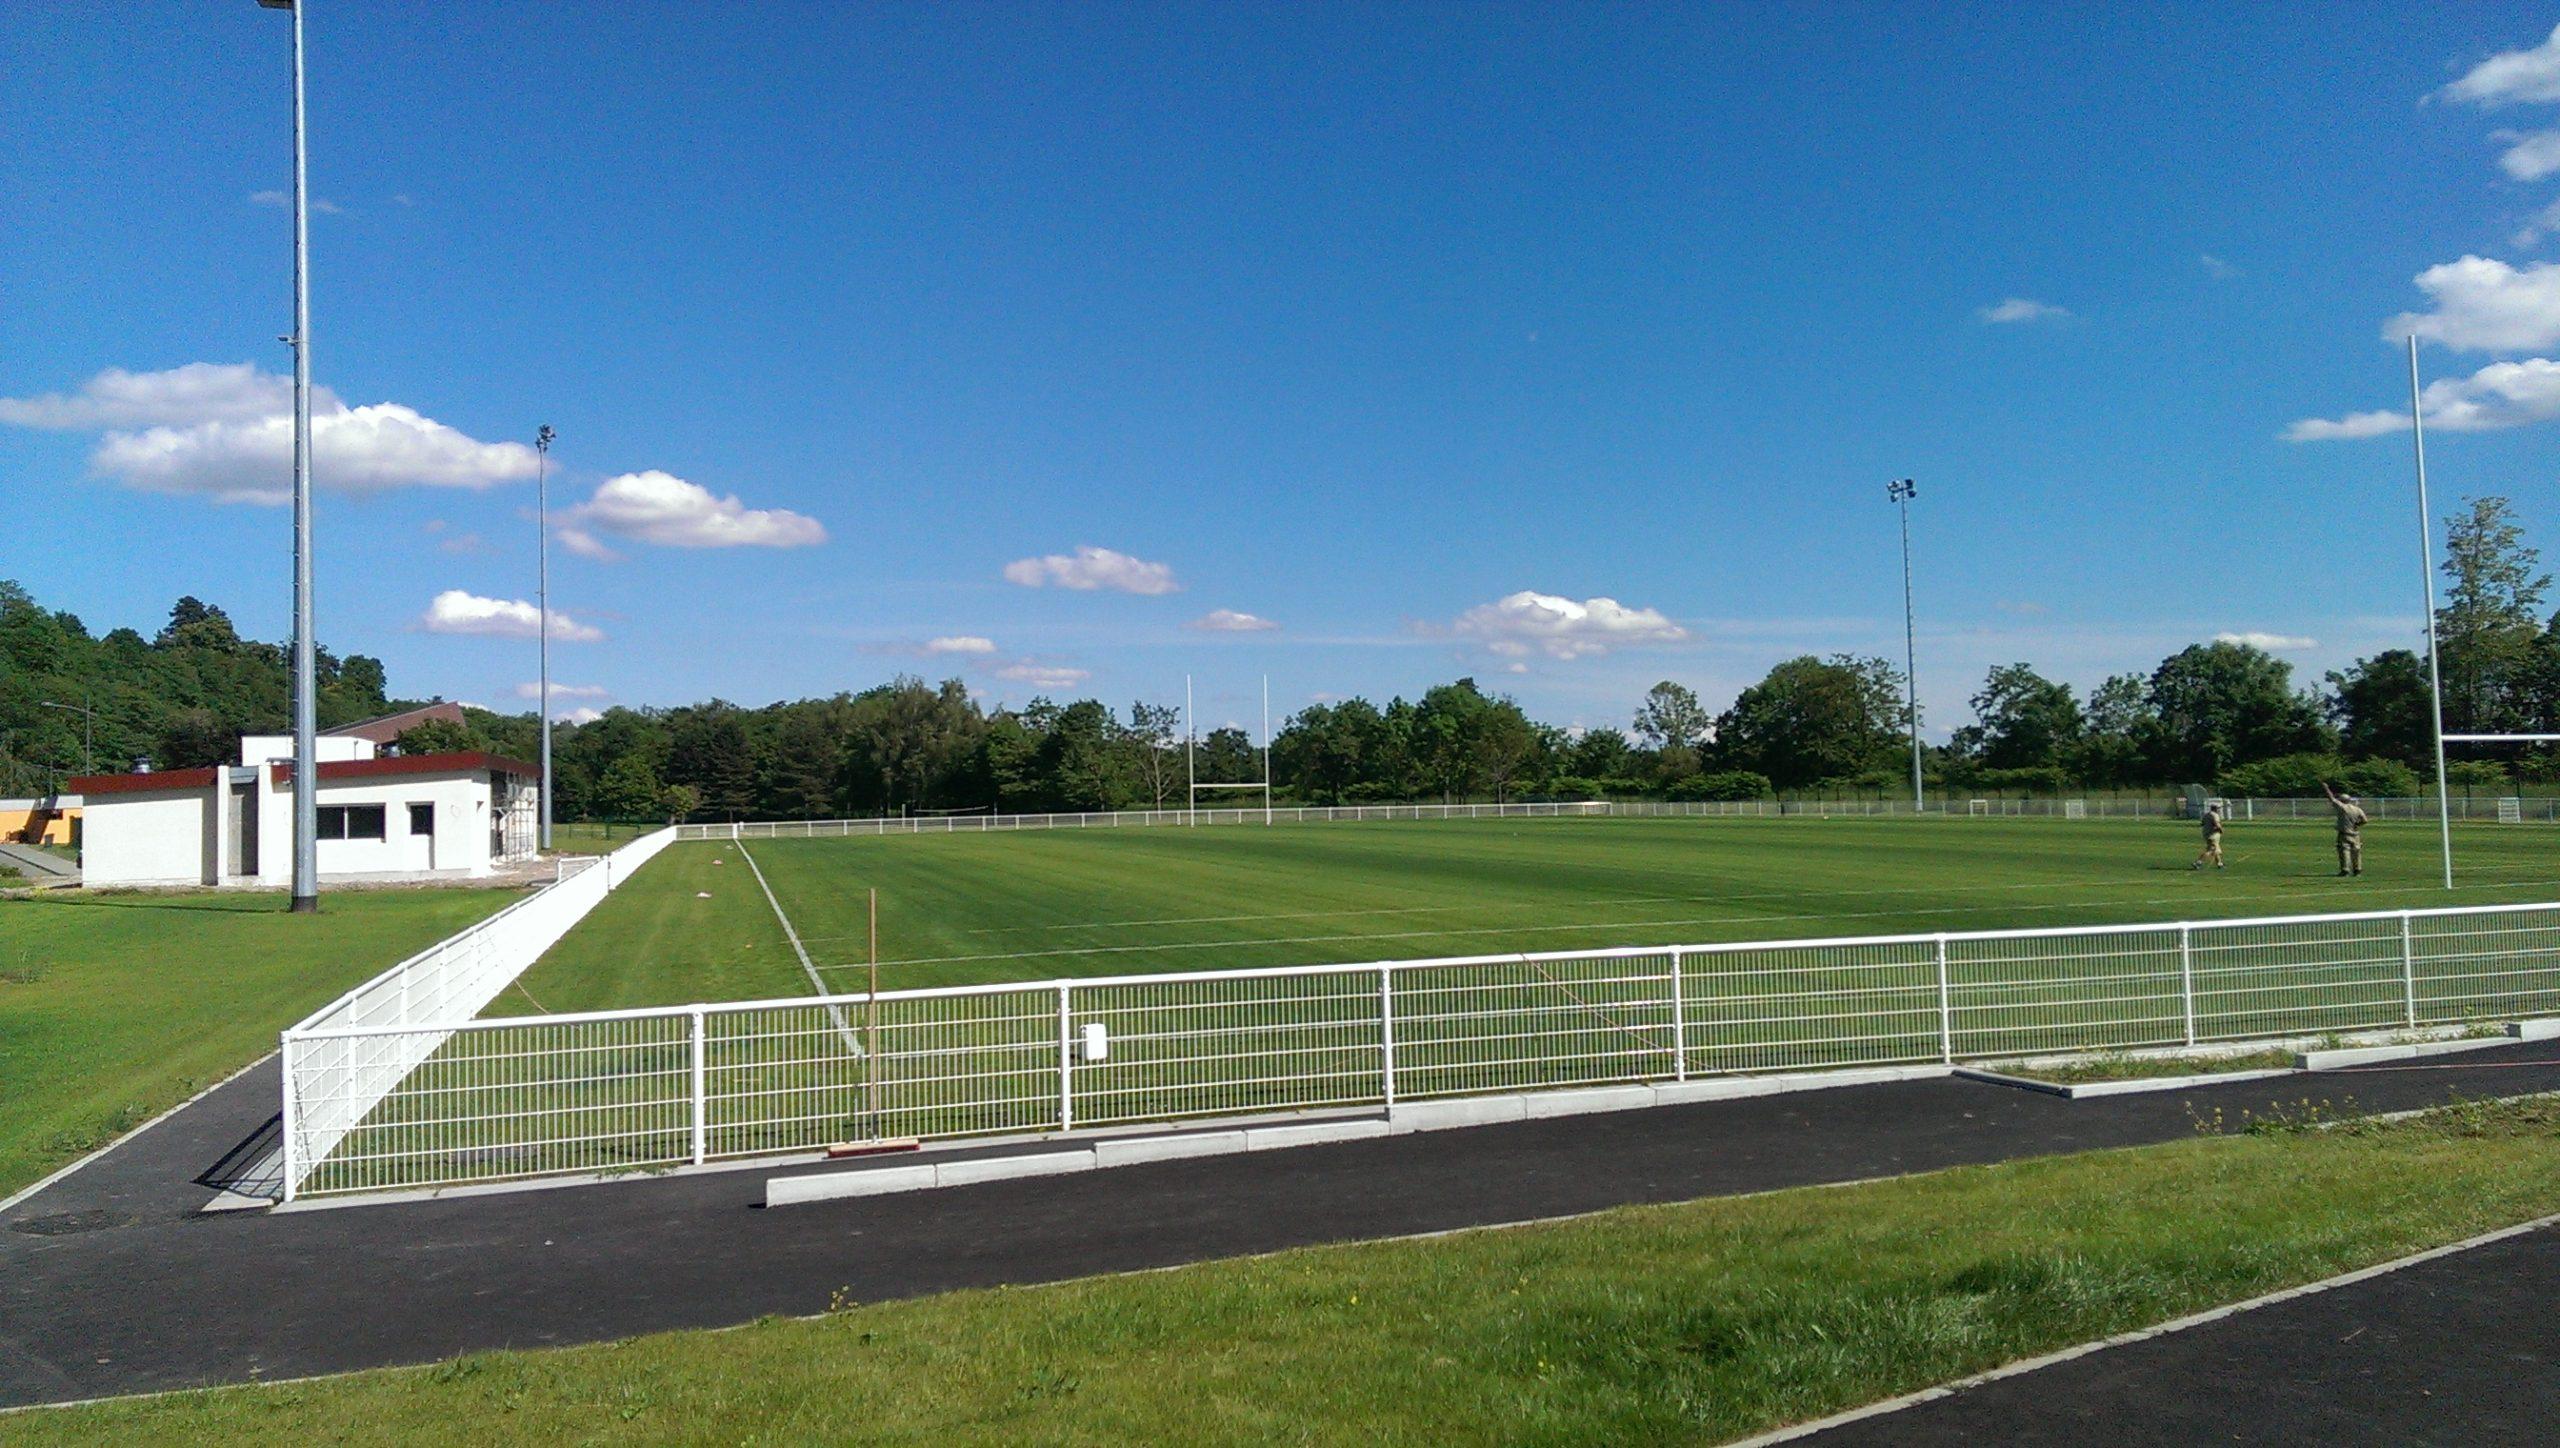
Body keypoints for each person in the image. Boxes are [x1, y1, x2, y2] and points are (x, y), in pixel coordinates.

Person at [2322, 781, 2367, 876]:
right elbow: (2365, 820)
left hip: (2344, 833)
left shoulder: (2342, 807)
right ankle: (2357, 869)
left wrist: (2326, 788)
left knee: (2344, 851)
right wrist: (2356, 824)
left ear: (2342, 800)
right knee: (2356, 852)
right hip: (2355, 834)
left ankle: (2345, 869)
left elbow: (2331, 798)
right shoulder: (2357, 809)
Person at [2192, 801, 2225, 870]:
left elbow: (2202, 823)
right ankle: (2198, 862)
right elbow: (2217, 824)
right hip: (2213, 835)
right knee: (2211, 850)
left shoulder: (2206, 815)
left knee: (2216, 849)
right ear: (2216, 809)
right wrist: (2221, 830)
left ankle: (2219, 863)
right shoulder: (2215, 815)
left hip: (2206, 834)